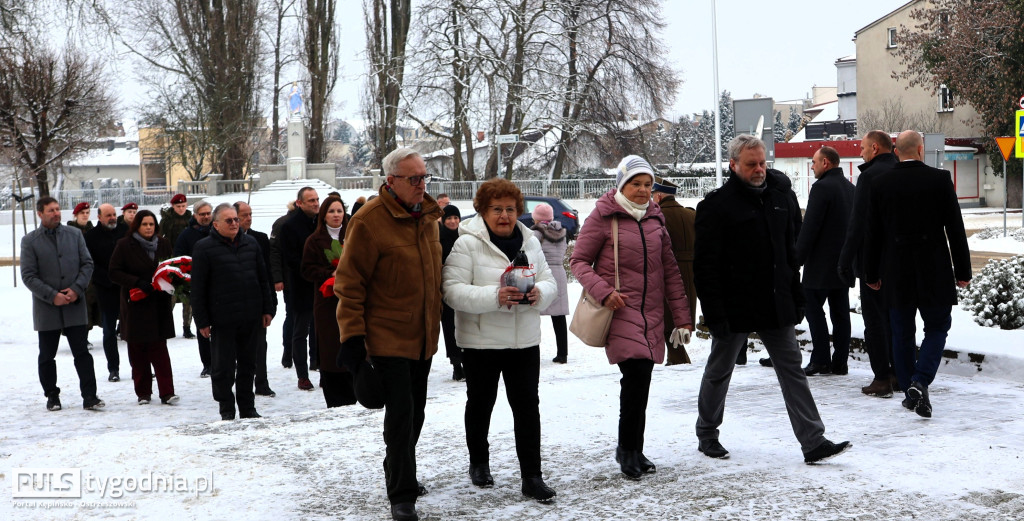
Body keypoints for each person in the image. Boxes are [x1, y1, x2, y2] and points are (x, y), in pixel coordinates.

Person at [693, 135, 850, 464]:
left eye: (762, 163)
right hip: (734, 306)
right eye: (751, 164)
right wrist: (715, 314)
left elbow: (788, 256)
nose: (759, 169)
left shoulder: (778, 199)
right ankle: (707, 432)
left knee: (792, 369)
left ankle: (813, 441)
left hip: (775, 302)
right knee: (720, 370)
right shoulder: (716, 206)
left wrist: (796, 296)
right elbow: (705, 267)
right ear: (733, 165)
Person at [335, 147, 442, 521]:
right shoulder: (368, 221)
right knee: (400, 415)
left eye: (424, 176)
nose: (421, 184)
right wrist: (353, 341)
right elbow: (349, 286)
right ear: (391, 181)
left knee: (416, 415)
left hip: (424, 336)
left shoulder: (428, 216)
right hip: (387, 337)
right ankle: (402, 494)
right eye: (414, 178)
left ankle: (396, 465)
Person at [570, 155, 693, 480]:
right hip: (619, 311)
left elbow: (670, 271)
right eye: (635, 183)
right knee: (636, 378)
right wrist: (603, 291)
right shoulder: (603, 216)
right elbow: (579, 261)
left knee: (641, 383)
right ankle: (628, 450)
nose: (642, 190)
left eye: (647, 184)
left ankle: (633, 449)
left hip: (651, 315)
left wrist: (682, 318)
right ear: (622, 184)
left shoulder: (655, 220)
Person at [442, 178, 558, 501]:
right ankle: (479, 462)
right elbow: (451, 291)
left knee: (527, 408)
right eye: (497, 209)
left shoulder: (530, 241)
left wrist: (539, 293)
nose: (504, 215)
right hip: (481, 343)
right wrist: (495, 296)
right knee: (481, 404)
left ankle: (532, 476)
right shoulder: (467, 243)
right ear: (482, 210)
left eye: (510, 209)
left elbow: (551, 283)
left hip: (524, 341)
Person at [864, 130, 972, 419]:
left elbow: (872, 234)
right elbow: (955, 229)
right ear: (921, 150)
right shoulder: (939, 180)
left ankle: (911, 388)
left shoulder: (880, 183)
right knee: (937, 328)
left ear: (897, 151)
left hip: (896, 270)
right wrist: (962, 270)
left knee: (901, 331)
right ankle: (920, 381)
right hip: (933, 267)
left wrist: (871, 272)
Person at [191, 203, 275, 420]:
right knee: (223, 368)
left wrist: (267, 308)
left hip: (250, 315)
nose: (235, 223)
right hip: (223, 318)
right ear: (216, 224)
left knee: (248, 365)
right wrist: (202, 320)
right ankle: (226, 408)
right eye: (229, 220)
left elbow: (262, 278)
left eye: (236, 219)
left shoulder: (251, 243)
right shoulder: (204, 248)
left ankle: (248, 407)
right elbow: (198, 288)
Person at [21, 196, 105, 411]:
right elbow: (28, 276)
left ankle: (90, 396)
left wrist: (77, 289)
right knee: (47, 355)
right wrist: (52, 295)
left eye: (58, 209)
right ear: (40, 214)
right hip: (46, 308)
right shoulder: (30, 241)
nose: (56, 213)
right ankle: (52, 395)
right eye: (51, 210)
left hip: (75, 305)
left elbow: (87, 264)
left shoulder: (74, 234)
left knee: (82, 354)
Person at [838, 130, 899, 397]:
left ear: (875, 148)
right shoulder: (903, 173)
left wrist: (845, 260)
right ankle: (899, 372)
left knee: (874, 321)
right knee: (898, 320)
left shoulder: (869, 177)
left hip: (872, 262)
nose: (860, 152)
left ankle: (882, 378)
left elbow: (858, 225)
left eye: (862, 148)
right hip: (901, 262)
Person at [108, 210, 179, 405]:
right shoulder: (125, 245)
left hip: (158, 303)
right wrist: (137, 282)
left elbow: (171, 267)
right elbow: (114, 272)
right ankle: (143, 392)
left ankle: (167, 392)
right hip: (136, 304)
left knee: (160, 350)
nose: (149, 227)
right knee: (138, 350)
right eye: (145, 224)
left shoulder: (163, 244)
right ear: (137, 226)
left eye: (152, 224)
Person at [796, 146, 855, 376]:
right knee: (840, 312)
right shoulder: (851, 188)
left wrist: (797, 259)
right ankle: (840, 361)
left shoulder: (821, 188)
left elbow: (810, 227)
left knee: (812, 308)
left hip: (820, 266)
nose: (811, 166)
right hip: (844, 264)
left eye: (813, 162)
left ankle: (820, 359)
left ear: (826, 163)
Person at [300, 196, 357, 407]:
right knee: (331, 346)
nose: (336, 215)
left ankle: (357, 388)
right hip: (327, 303)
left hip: (353, 300)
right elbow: (306, 269)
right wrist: (330, 272)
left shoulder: (353, 236)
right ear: (324, 214)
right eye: (332, 211)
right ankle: (335, 394)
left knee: (353, 341)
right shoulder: (314, 240)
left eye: (339, 211)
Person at [651, 177, 697, 366]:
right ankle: (676, 357)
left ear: (659, 196)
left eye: (653, 195)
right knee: (683, 315)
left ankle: (678, 359)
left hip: (669, 271)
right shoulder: (691, 215)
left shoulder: (657, 216)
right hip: (691, 270)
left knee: (668, 316)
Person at [235, 201, 277, 398]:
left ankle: (261, 382)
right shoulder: (223, 241)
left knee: (260, 345)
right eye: (244, 215)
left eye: (250, 214)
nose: (248, 218)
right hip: (233, 304)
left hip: (257, 303)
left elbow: (266, 274)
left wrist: (271, 304)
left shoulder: (259, 239)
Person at [280, 187, 320, 389]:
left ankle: (322, 366)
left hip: (324, 284)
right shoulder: (290, 226)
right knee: (300, 332)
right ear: (300, 203)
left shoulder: (321, 221)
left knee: (324, 329)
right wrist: (313, 269)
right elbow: (291, 258)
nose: (315, 203)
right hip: (302, 285)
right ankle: (302, 375)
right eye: (310, 200)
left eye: (317, 199)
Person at [85, 203, 129, 382]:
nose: (112, 218)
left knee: (133, 329)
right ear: (99, 217)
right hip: (106, 288)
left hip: (127, 287)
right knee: (109, 331)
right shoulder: (91, 237)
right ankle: (113, 368)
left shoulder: (125, 230)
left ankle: (139, 367)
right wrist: (110, 278)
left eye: (114, 214)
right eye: (108, 215)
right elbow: (90, 264)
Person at [175, 201, 213, 376]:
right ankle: (208, 363)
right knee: (203, 328)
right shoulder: (186, 235)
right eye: (202, 214)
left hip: (219, 287)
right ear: (195, 215)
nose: (206, 217)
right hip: (197, 288)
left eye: (208, 213)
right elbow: (179, 260)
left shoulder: (218, 230)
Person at [530, 203, 570, 364]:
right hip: (559, 273)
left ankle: (532, 352)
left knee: (533, 314)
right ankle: (563, 353)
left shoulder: (535, 233)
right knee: (559, 316)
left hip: (542, 274)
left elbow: (531, 253)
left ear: (536, 217)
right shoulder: (561, 232)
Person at [438, 203, 466, 380]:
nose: (453, 221)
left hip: (464, 286)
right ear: (443, 220)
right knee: (449, 325)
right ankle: (456, 363)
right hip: (446, 288)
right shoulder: (438, 239)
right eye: (449, 218)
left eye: (456, 218)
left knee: (465, 323)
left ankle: (467, 360)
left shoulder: (464, 237)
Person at [161, 193, 194, 339]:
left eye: (183, 206)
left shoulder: (191, 219)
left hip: (187, 263)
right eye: (178, 206)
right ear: (173, 206)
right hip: (171, 262)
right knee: (170, 296)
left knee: (189, 297)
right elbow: (160, 239)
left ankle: (187, 327)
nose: (181, 209)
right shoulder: (167, 221)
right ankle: (166, 326)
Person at [68, 202, 101, 343]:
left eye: (87, 213)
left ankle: (84, 337)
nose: (85, 215)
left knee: (89, 305)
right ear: (76, 215)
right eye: (82, 213)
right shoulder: (69, 230)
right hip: (74, 273)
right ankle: (78, 338)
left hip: (91, 274)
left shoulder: (91, 229)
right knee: (78, 306)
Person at [270, 201, 297, 368]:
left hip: (307, 278)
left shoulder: (316, 221)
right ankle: (288, 353)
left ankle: (314, 357)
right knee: (293, 316)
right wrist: (277, 278)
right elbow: (274, 252)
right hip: (290, 278)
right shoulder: (282, 223)